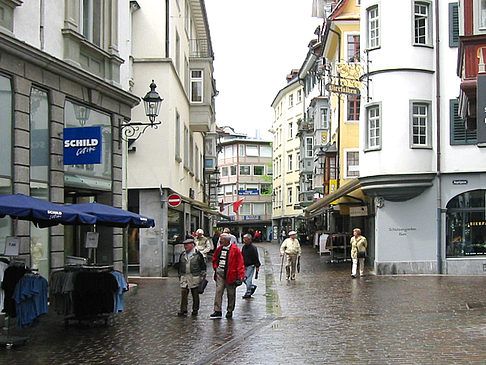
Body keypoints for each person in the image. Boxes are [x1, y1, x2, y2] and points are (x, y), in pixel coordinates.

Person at [210, 233, 245, 319]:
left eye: (221, 239)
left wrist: (241, 275)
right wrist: (216, 268)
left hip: (231, 275)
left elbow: (240, 263)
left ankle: (230, 310)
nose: (220, 240)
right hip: (220, 272)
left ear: (226, 240)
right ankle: (217, 310)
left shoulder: (235, 250)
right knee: (219, 291)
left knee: (231, 293)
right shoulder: (220, 249)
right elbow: (214, 258)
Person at [177, 238, 206, 316]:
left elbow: (203, 266)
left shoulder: (198, 254)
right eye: (184, 245)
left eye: (187, 245)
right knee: (183, 292)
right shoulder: (183, 254)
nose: (185, 246)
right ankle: (183, 309)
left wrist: (202, 276)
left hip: (194, 276)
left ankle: (195, 309)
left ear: (192, 245)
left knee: (195, 293)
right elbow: (180, 265)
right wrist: (180, 275)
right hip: (184, 276)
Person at [241, 234, 261, 299]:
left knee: (247, 279)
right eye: (244, 239)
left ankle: (248, 292)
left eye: (246, 240)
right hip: (245, 265)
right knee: (244, 279)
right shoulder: (244, 247)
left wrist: (257, 266)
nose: (244, 241)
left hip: (251, 265)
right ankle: (251, 287)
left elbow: (256, 257)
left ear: (249, 240)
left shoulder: (253, 248)